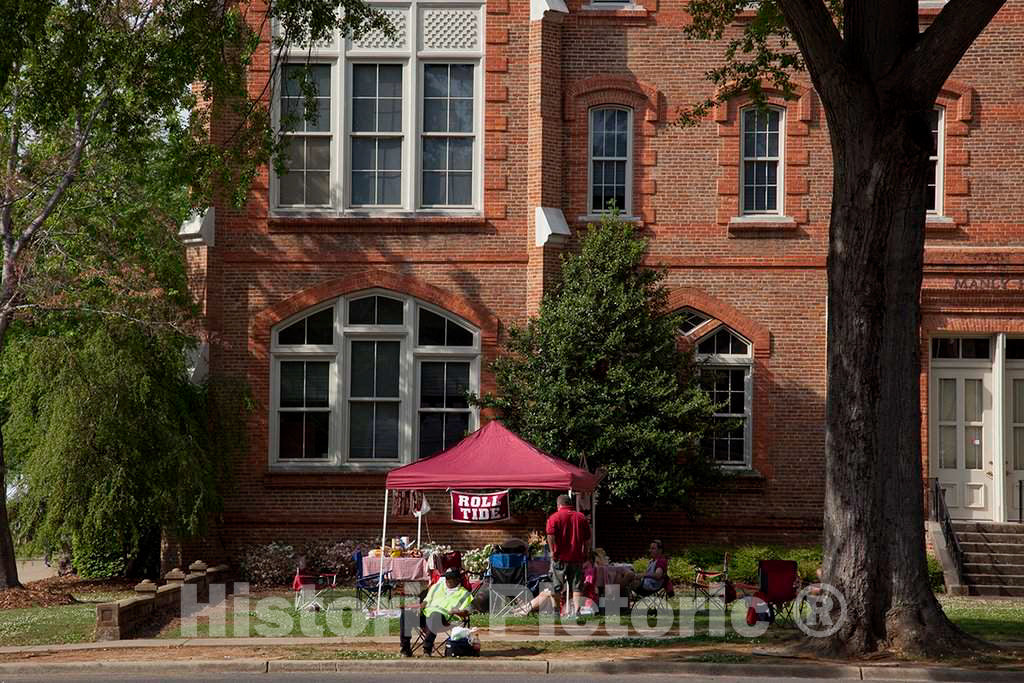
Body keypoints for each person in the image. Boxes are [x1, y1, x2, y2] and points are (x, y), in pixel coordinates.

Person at [399, 567, 472, 657]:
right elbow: (426, 601)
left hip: (445, 620)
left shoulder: (464, 594)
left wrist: (457, 612)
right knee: (406, 613)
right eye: (447, 577)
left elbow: (467, 612)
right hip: (426, 616)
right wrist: (419, 607)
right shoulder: (436, 587)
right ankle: (405, 649)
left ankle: (427, 649)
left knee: (435, 615)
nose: (448, 580)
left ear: (458, 579)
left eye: (451, 578)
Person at [545, 493, 591, 616]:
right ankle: (577, 611)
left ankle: (555, 611)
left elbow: (550, 535)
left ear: (559, 505)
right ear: (570, 504)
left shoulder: (554, 517)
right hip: (576, 557)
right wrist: (585, 553)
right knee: (577, 586)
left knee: (556, 585)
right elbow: (587, 539)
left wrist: (553, 551)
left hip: (559, 557)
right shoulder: (581, 518)